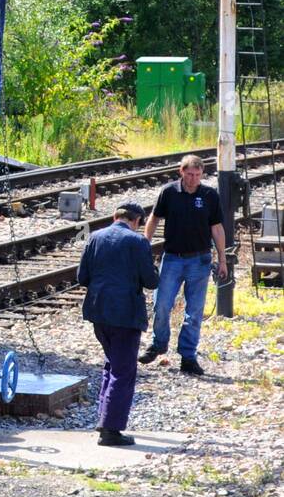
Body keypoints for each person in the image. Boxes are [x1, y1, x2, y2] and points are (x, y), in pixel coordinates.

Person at [77, 201, 160, 446]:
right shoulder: (138, 242)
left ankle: (104, 418)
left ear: (115, 216)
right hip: (125, 314)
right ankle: (111, 430)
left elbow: (83, 276)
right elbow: (151, 281)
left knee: (111, 365)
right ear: (137, 221)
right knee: (123, 371)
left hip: (98, 311)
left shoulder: (95, 237)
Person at [140, 154, 228, 375]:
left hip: (200, 260)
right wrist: (143, 246)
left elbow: (217, 228)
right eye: (189, 174)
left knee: (195, 311)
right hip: (172, 258)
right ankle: (159, 344)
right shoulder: (169, 192)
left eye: (197, 175)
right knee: (161, 305)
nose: (193, 179)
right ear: (181, 171)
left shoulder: (209, 195)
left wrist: (222, 259)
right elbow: (154, 219)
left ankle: (188, 355)